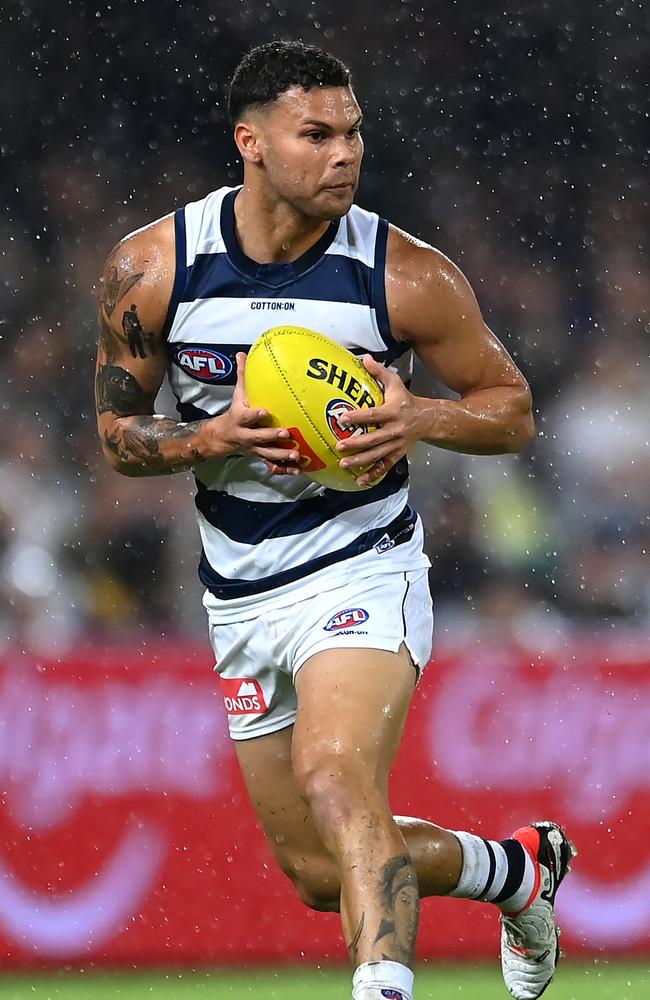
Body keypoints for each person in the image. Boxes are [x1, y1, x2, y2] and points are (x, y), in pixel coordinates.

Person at [94, 40, 574, 1000]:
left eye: (354, 132)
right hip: (236, 590)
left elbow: (512, 409)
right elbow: (115, 432)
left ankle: (384, 986)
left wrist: (422, 416)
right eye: (317, 134)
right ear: (252, 144)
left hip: (364, 565)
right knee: (320, 876)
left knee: (335, 772)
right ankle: (515, 874)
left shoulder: (404, 274)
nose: (345, 153)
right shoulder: (154, 268)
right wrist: (205, 439)